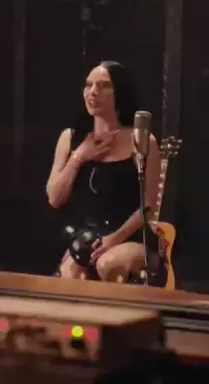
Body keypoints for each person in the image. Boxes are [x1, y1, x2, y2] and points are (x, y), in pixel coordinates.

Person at [46, 61, 161, 282]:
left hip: (129, 237)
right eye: (89, 85)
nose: (93, 91)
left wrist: (114, 239)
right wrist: (80, 156)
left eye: (104, 85)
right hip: (86, 238)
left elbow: (148, 206)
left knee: (108, 264)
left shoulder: (142, 141)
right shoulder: (70, 138)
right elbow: (54, 199)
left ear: (121, 92)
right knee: (73, 274)